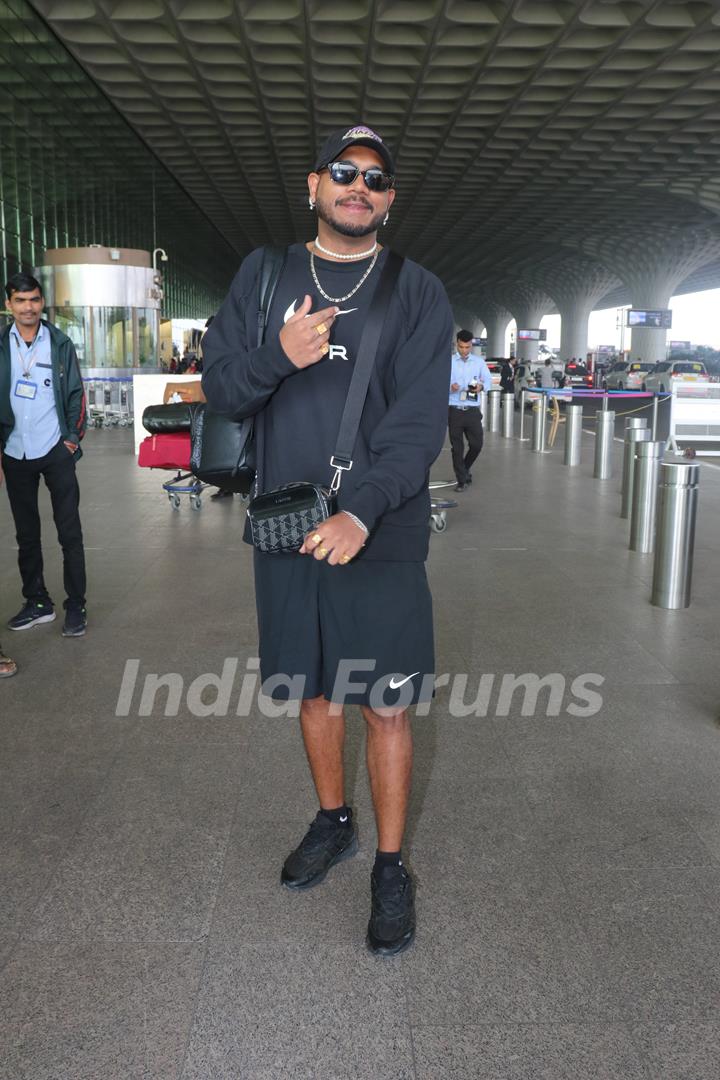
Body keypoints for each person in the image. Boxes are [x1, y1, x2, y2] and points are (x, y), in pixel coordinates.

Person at [202, 124, 453, 956]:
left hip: (378, 533)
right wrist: (277, 354)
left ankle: (389, 863)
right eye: (344, 172)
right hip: (286, 521)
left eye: (376, 179)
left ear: (390, 199)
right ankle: (332, 820)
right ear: (313, 185)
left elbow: (418, 427)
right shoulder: (266, 276)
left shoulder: (416, 291)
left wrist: (364, 509)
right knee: (313, 691)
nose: (359, 186)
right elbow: (223, 388)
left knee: (384, 704)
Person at [0, 272, 88, 637]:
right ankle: (38, 602)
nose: (28, 307)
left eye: (34, 300)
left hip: (55, 449)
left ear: (42, 303)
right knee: (26, 534)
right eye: (20, 301)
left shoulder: (60, 342)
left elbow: (76, 394)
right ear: (9, 305)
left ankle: (76, 605)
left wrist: (70, 441)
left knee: (69, 531)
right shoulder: (1, 345)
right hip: (14, 450)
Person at [448, 329, 492, 491]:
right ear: (456, 344)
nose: (464, 351)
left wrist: (481, 387)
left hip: (472, 410)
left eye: (467, 347)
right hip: (454, 410)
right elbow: (439, 384)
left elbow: (488, 381)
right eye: (461, 347)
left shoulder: (479, 362)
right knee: (457, 448)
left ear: (471, 345)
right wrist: (450, 387)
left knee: (476, 444)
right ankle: (461, 480)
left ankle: (464, 469)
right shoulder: (449, 362)